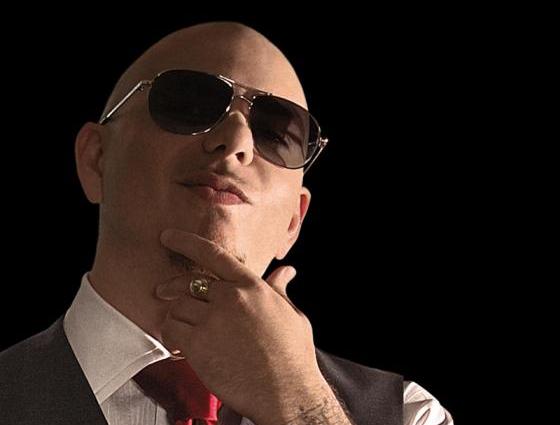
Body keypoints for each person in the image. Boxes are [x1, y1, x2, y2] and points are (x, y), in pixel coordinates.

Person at [0, 22, 453, 425]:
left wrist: (298, 406)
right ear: (96, 159)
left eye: (276, 132)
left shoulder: (409, 414)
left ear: (293, 221)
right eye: (190, 103)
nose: (236, 141)